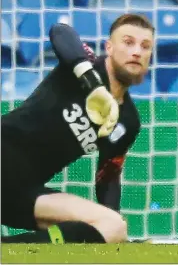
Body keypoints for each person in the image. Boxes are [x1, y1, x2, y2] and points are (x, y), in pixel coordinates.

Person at [1, 14, 154, 244]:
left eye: (145, 46)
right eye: (128, 42)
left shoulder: (128, 121)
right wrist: (92, 83)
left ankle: (11, 250)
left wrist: (109, 236)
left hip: (23, 194)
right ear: (109, 47)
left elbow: (108, 178)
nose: (137, 52)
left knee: (113, 227)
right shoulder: (84, 65)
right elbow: (60, 31)